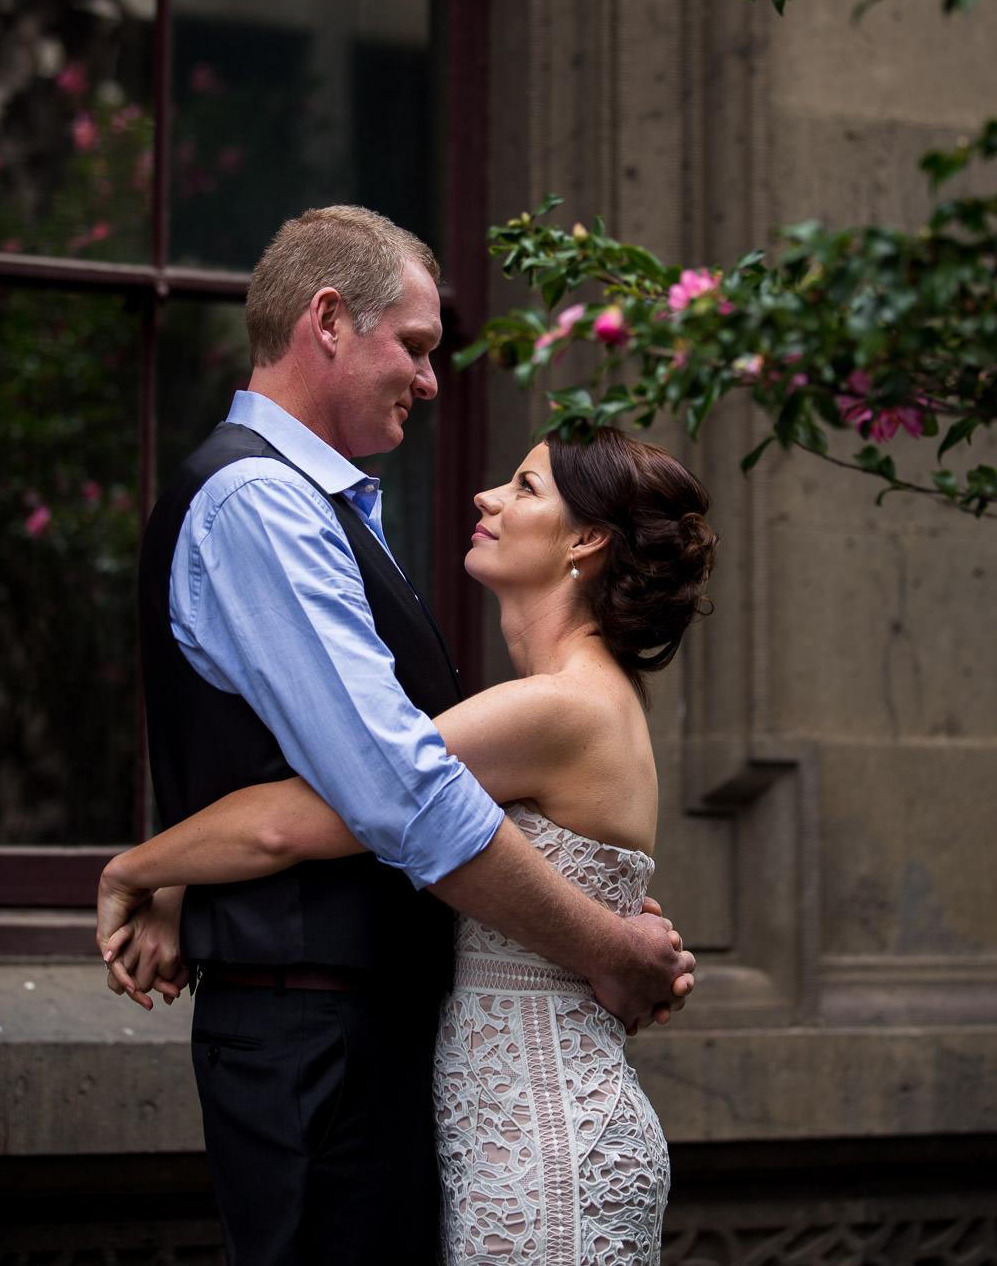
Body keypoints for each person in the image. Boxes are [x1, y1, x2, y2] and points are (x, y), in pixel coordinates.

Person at [101, 204, 696, 1266]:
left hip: (389, 1052)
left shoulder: (327, 510)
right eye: (415, 348)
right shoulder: (262, 504)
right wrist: (604, 941)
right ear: (328, 320)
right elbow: (392, 788)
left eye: (522, 486)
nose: (431, 381)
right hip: (314, 1039)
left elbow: (350, 777)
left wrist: (164, 871)